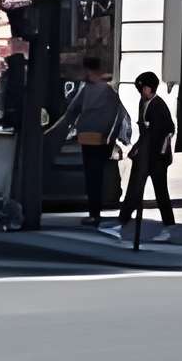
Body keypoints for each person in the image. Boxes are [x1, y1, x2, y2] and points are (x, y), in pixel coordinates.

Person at [58, 57, 129, 232]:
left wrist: (62, 129)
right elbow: (118, 114)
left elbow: (72, 111)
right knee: (95, 177)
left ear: (90, 71)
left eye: (85, 70)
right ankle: (95, 213)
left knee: (93, 178)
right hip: (98, 139)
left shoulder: (93, 89)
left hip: (92, 139)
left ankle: (94, 214)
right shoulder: (104, 90)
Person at [119, 71, 179, 238]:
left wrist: (141, 148)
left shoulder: (158, 106)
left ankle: (169, 224)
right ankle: (123, 219)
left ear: (149, 88)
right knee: (134, 189)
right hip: (145, 155)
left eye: (142, 89)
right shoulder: (143, 102)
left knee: (160, 191)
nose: (140, 92)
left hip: (157, 156)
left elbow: (161, 132)